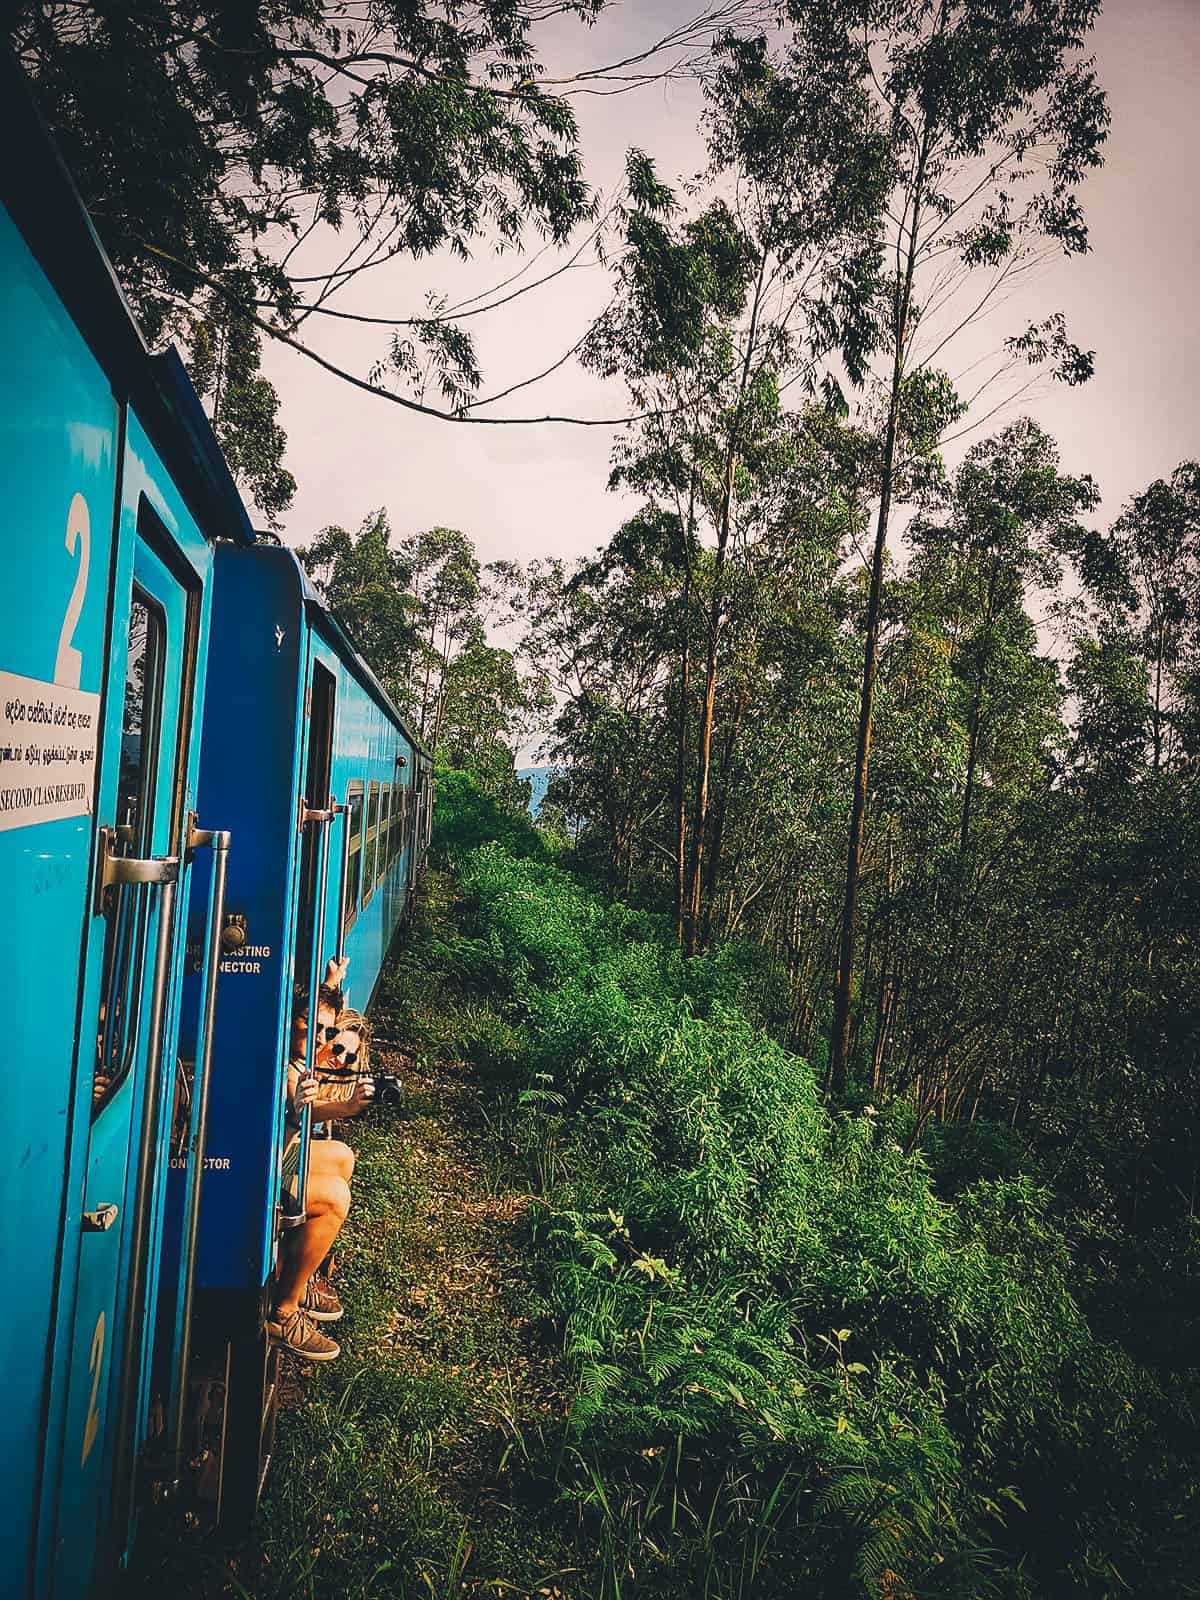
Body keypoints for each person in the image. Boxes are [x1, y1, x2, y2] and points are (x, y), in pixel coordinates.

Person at [267, 1001, 370, 1359]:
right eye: (328, 1038)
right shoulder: (290, 1066)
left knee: (342, 1156)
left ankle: (299, 1269)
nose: (331, 1048)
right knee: (334, 1197)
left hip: (275, 1157)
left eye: (329, 1033)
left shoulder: (303, 1064)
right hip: (263, 1167)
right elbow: (289, 1127)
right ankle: (284, 1311)